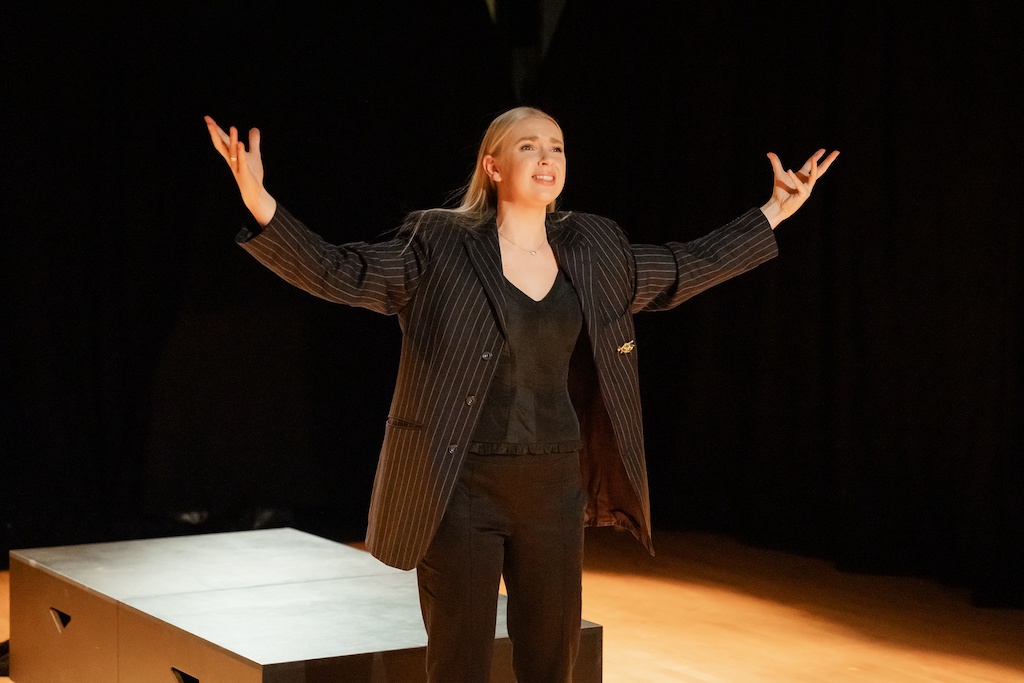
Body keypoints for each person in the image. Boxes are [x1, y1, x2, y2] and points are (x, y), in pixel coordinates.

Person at [205, 106, 837, 682]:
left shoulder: (594, 247)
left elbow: (684, 266)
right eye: (528, 146)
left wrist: (775, 211)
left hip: (554, 488)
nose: (546, 158)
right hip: (458, 487)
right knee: (459, 664)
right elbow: (342, 272)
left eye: (556, 147)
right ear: (493, 165)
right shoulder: (438, 243)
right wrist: (262, 204)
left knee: (550, 664)